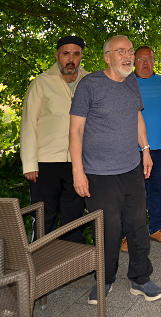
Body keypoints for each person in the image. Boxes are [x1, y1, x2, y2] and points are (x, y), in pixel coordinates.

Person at [69, 35, 161, 304]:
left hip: (131, 167)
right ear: (107, 56)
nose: (128, 56)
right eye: (120, 51)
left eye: (130, 51)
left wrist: (145, 150)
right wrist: (78, 171)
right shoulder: (90, 85)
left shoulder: (132, 81)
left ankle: (141, 279)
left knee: (137, 225)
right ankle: (104, 279)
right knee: (108, 228)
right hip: (99, 173)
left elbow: (136, 117)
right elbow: (75, 130)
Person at [20, 36, 88, 243]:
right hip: (45, 164)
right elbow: (28, 125)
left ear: (80, 56)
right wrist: (29, 164)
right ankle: (39, 268)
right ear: (57, 55)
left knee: (74, 219)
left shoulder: (90, 81)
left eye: (76, 54)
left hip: (78, 164)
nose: (71, 59)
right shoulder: (41, 83)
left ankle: (72, 269)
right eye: (66, 53)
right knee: (43, 219)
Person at [118, 46, 161, 252]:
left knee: (155, 189)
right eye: (141, 59)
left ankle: (156, 228)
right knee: (131, 193)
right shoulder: (125, 83)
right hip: (131, 149)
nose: (146, 63)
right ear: (133, 61)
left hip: (159, 148)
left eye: (149, 59)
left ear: (154, 61)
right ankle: (128, 235)